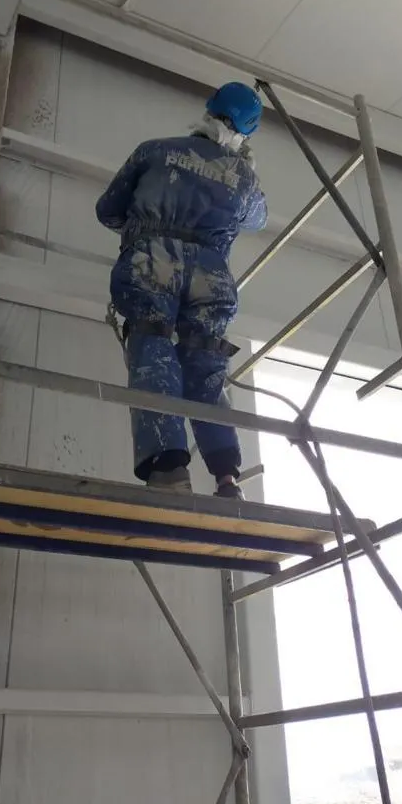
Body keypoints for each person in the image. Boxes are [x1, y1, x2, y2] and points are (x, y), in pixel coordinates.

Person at [95, 82, 268, 500]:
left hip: (151, 262)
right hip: (211, 277)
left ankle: (169, 470)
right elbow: (258, 219)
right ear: (247, 131)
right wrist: (235, 175)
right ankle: (227, 480)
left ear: (208, 108)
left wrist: (145, 229)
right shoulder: (244, 178)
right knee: (205, 366)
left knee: (153, 349)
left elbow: (107, 210)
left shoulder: (154, 151)